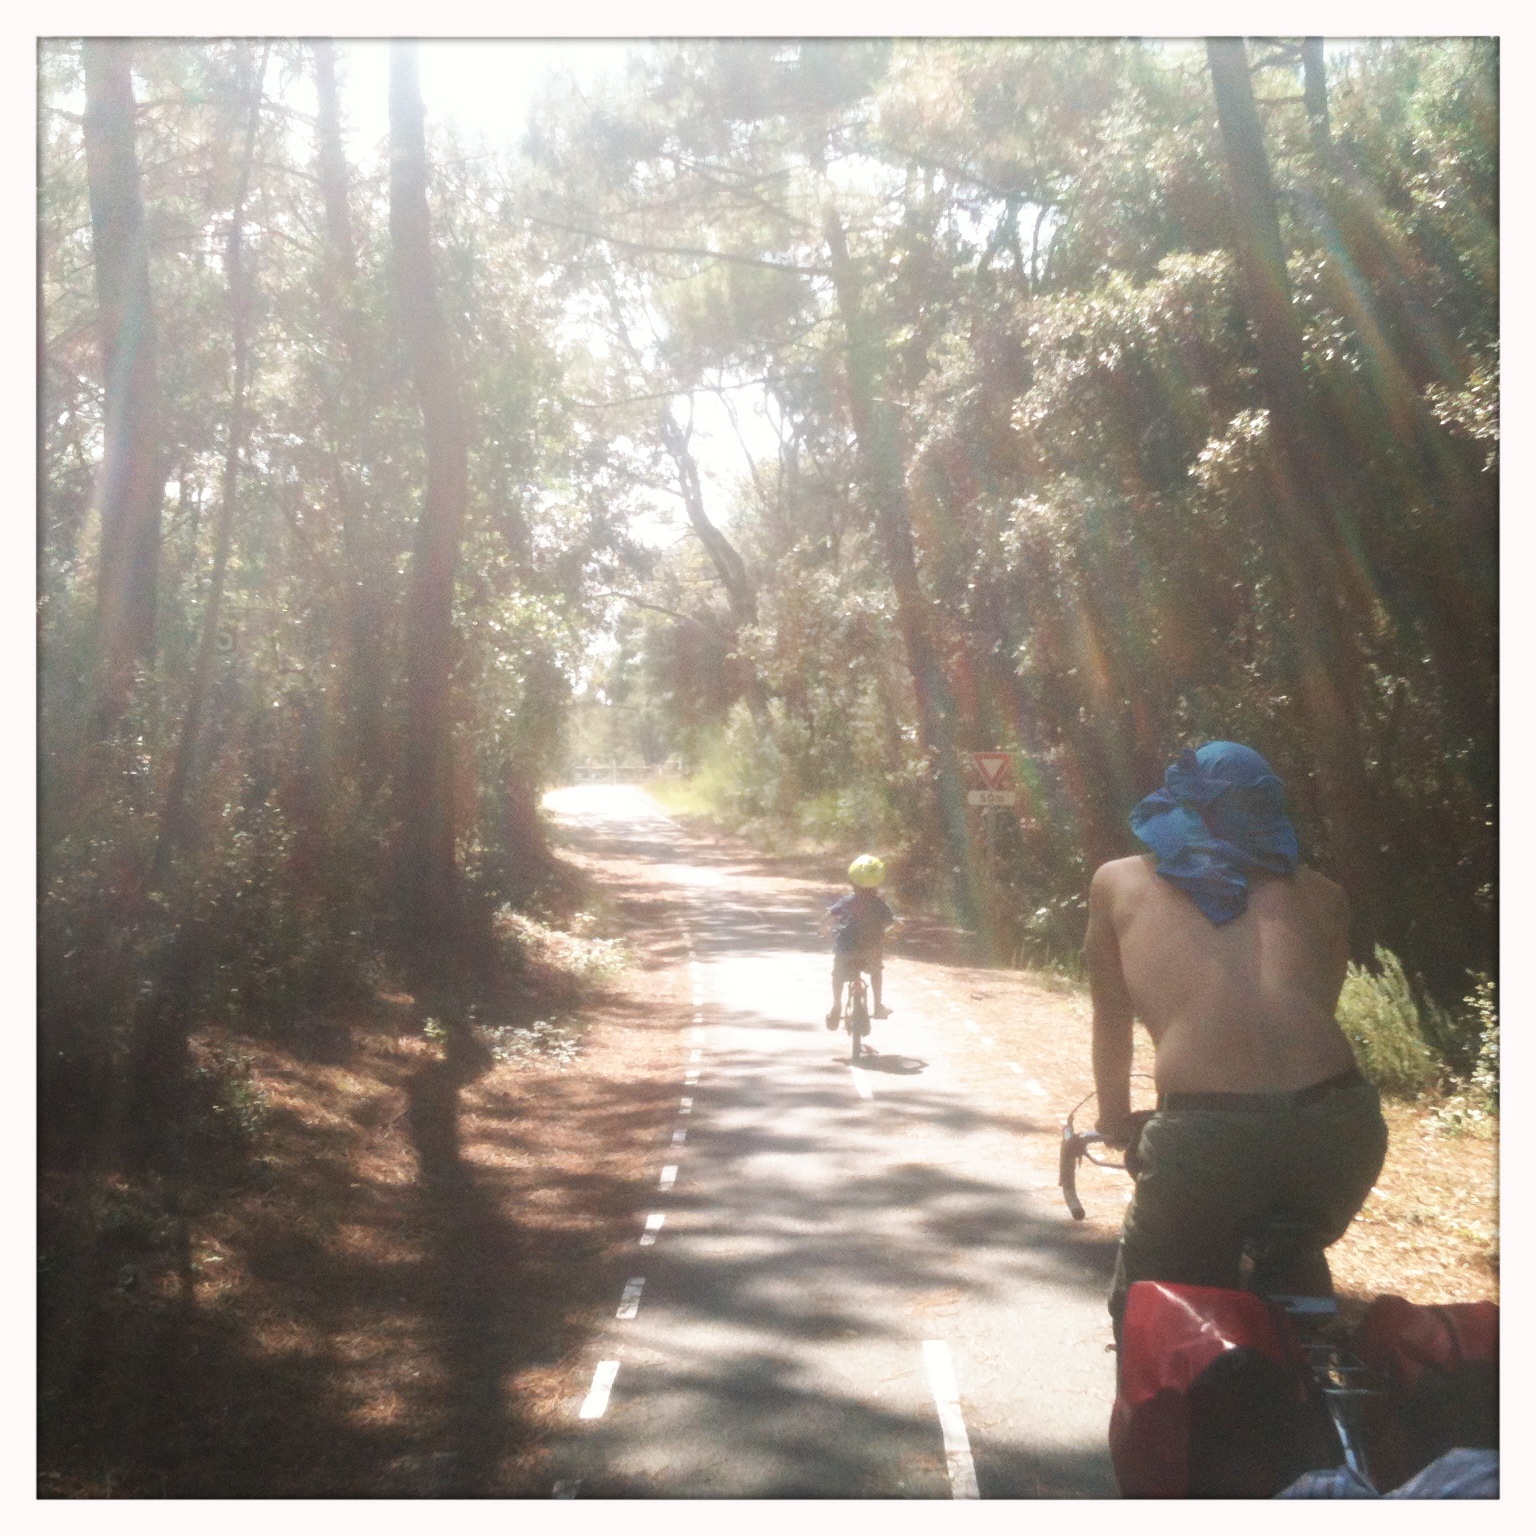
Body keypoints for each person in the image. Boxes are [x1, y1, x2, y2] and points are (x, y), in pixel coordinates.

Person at [1084, 741, 1388, 1337]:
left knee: (1150, 1313)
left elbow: (1112, 1020)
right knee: (1292, 1251)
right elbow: (1313, 1010)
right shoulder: (1323, 893)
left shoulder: (1118, 881)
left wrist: (1116, 1118)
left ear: (1176, 806)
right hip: (1342, 1127)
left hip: (1207, 1136)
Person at [825, 855, 895, 1029]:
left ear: (852, 881)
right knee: (876, 973)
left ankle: (836, 1005)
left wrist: (822, 929)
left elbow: (827, 917)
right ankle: (878, 1006)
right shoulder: (880, 904)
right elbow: (897, 924)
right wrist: (888, 934)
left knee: (837, 975)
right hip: (870, 950)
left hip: (845, 950)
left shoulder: (847, 901)